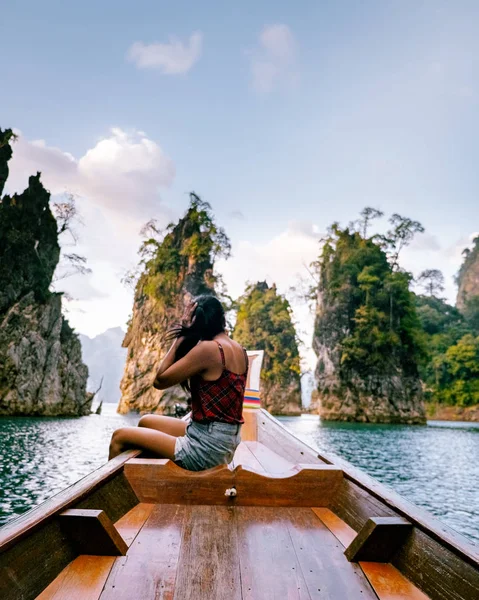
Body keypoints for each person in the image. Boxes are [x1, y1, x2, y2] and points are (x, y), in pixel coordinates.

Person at [108, 295, 247, 471]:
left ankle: (116, 497)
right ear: (222, 318)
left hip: (206, 448)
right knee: (146, 422)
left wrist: (182, 336)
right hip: (225, 440)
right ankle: (152, 485)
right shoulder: (238, 349)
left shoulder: (210, 349)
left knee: (118, 437)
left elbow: (160, 380)